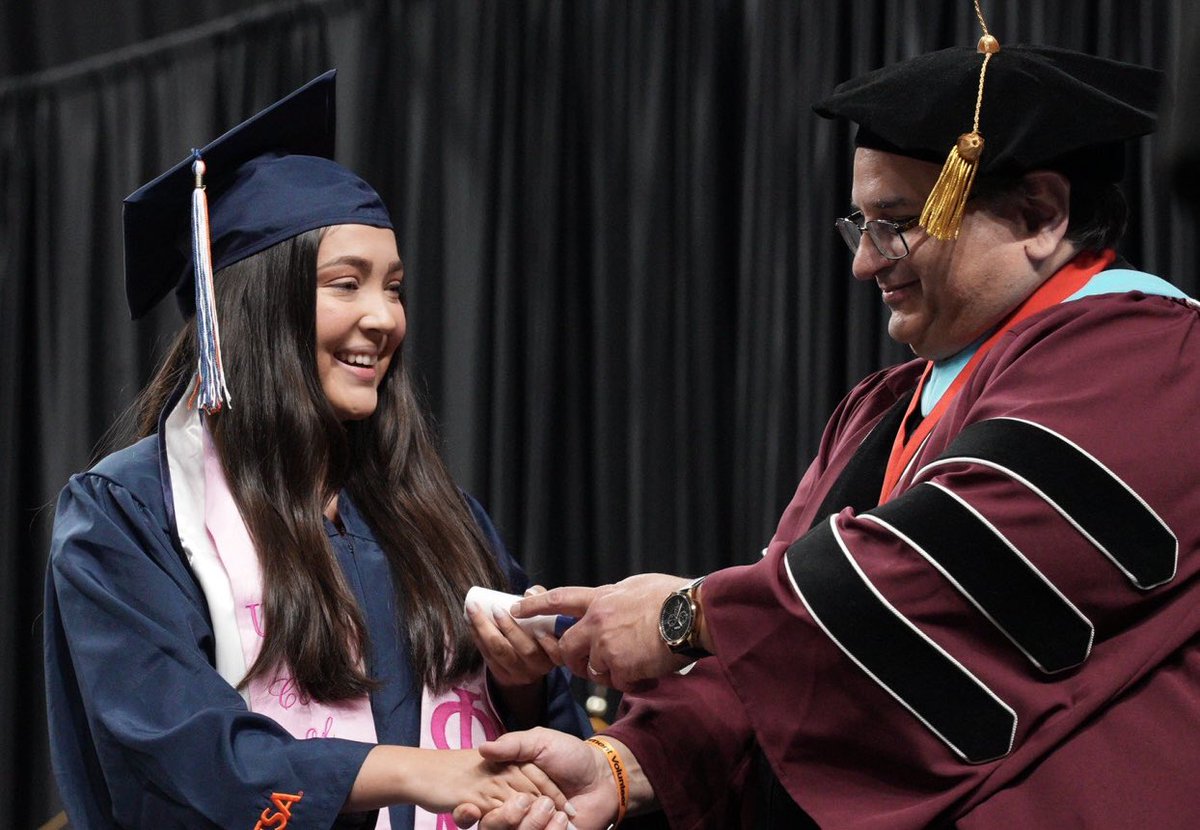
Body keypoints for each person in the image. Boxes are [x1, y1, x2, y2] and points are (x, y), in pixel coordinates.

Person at [464, 22, 1200, 830]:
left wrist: (689, 614)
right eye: (860, 226)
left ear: (1040, 214)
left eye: (897, 224)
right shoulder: (884, 409)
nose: (863, 262)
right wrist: (629, 762)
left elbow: (931, 578)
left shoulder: (1155, 360)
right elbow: (788, 658)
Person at [43, 71, 588, 830]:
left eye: (393, 287)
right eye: (347, 284)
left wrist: (520, 686)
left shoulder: (431, 512)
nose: (382, 318)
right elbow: (175, 751)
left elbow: (561, 750)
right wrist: (413, 772)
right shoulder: (133, 516)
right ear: (259, 306)